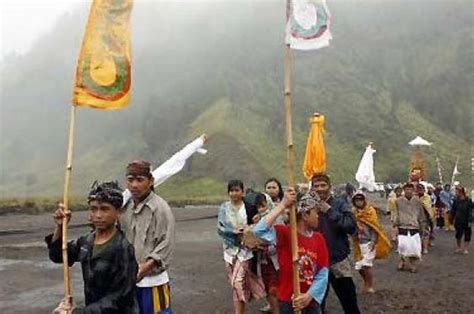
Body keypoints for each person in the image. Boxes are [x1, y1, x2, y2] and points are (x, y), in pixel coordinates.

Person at [46, 181, 138, 313]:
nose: (98, 215)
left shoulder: (123, 249)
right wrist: (60, 226)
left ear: (118, 212)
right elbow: (58, 256)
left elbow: (118, 299)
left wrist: (76, 312)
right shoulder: (87, 242)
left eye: (105, 209)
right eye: (94, 209)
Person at [254, 188, 329, 314]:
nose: (318, 216)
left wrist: (310, 295)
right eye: (315, 212)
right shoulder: (285, 233)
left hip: (310, 302)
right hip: (288, 300)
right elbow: (259, 230)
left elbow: (323, 271)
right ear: (305, 215)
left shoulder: (318, 238)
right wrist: (283, 204)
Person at [121, 160, 175, 314]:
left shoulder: (160, 208)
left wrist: (146, 268)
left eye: (140, 180)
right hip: (128, 281)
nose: (134, 185)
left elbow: (166, 244)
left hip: (153, 283)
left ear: (151, 181)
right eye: (130, 180)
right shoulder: (125, 207)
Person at [310, 174, 360, 314]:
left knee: (348, 299)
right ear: (312, 188)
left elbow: (351, 226)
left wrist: (330, 211)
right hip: (316, 261)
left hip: (338, 259)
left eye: (323, 185)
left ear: (329, 187)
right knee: (317, 301)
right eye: (316, 186)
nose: (320, 189)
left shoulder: (340, 203)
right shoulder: (308, 206)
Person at [217, 180, 265, 314]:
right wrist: (232, 231)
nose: (234, 193)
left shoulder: (249, 207)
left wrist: (254, 223)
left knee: (237, 281)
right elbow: (219, 228)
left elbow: (258, 227)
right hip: (229, 250)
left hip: (245, 250)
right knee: (236, 283)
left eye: (237, 190)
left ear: (242, 192)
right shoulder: (223, 208)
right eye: (231, 190)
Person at [351, 191, 391, 293]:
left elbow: (375, 228)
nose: (359, 202)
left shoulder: (370, 211)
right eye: (356, 200)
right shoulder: (354, 213)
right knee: (359, 266)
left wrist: (373, 241)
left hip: (368, 242)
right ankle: (366, 282)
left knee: (367, 265)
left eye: (361, 199)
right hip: (358, 243)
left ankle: (370, 286)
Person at [392, 183, 427, 273]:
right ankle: (402, 260)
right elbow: (396, 213)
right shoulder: (398, 201)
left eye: (410, 189)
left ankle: (413, 265)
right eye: (407, 189)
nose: (409, 191)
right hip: (402, 225)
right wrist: (395, 224)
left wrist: (423, 227)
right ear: (404, 190)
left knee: (414, 247)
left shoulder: (417, 201)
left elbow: (421, 215)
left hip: (414, 226)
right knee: (403, 246)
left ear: (413, 190)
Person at [450, 185, 473, 254]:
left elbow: (470, 211)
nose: (456, 192)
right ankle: (459, 247)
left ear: (461, 192)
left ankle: (465, 248)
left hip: (466, 219)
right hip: (458, 220)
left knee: (467, 234)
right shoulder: (456, 200)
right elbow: (453, 210)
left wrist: (470, 220)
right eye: (456, 191)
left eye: (457, 191)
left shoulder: (468, 200)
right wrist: (451, 219)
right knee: (458, 234)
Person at [416, 184, 435, 254]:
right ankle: (418, 247)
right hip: (415, 217)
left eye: (421, 189)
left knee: (425, 233)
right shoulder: (414, 197)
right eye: (418, 189)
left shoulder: (427, 197)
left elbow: (428, 206)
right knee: (416, 233)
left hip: (425, 217)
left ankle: (425, 248)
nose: (419, 190)